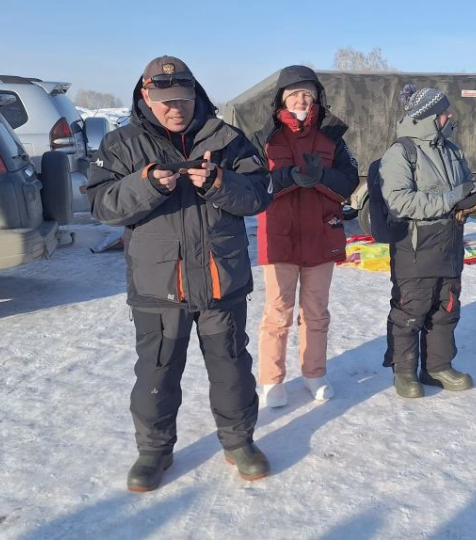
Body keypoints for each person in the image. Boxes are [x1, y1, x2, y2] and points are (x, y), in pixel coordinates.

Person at [86, 55, 272, 492]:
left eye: (183, 98)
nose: (176, 108)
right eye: (166, 100)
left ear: (195, 94)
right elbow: (101, 205)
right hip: (158, 285)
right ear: (146, 97)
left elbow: (259, 194)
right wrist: (147, 184)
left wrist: (220, 183)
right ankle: (154, 451)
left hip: (221, 279)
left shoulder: (228, 139)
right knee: (157, 373)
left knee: (231, 369)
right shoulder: (121, 144)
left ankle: (239, 442)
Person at [251, 66, 360, 408]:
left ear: (316, 98)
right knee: (277, 312)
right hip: (279, 236)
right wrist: (289, 177)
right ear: (281, 98)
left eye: (307, 94)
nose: (300, 99)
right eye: (294, 93)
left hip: (321, 234)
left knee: (316, 312)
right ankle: (271, 380)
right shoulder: (264, 138)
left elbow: (349, 182)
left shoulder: (332, 136)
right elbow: (253, 185)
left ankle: (315, 374)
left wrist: (321, 177)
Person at [379, 84, 476, 399]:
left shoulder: (452, 150)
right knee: (411, 311)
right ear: (428, 116)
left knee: (446, 309)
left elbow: (467, 187)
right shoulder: (401, 152)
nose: (449, 116)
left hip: (450, 244)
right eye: (444, 112)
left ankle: (438, 367)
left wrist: (475, 202)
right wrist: (451, 199)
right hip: (415, 248)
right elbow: (400, 202)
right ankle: (405, 372)